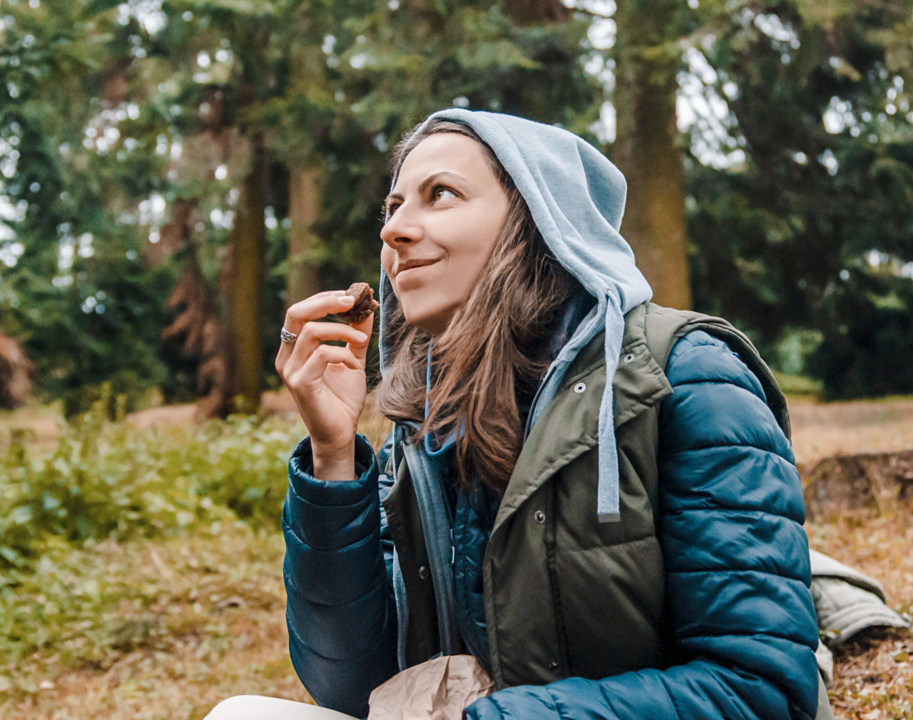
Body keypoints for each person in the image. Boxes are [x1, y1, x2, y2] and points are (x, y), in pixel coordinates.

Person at [213, 109, 826, 720]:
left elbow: (763, 689)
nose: (395, 230)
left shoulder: (687, 375)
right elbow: (349, 685)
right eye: (393, 207)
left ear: (537, 220)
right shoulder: (427, 427)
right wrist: (332, 454)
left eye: (441, 195)